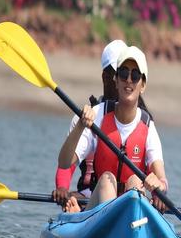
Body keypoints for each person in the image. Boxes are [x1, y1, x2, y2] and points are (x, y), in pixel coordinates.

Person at [59, 45, 168, 213]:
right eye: (123, 73)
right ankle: (86, 216)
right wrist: (81, 125)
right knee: (106, 180)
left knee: (134, 182)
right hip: (100, 203)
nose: (129, 80)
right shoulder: (97, 115)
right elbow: (64, 163)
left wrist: (159, 186)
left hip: (128, 209)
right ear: (116, 80)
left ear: (143, 84)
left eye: (135, 75)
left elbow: (162, 180)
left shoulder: (147, 126)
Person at [53, 39, 126, 207]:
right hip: (88, 198)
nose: (122, 80)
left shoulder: (142, 120)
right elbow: (66, 166)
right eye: (117, 74)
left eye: (126, 74)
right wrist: (63, 188)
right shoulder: (86, 118)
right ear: (105, 77)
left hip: (128, 199)